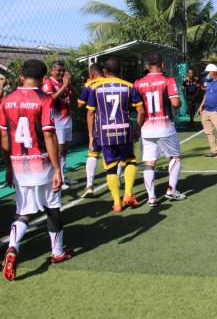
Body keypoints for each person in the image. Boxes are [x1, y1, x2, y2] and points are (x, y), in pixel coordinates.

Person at [0, 59, 72, 281]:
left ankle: (13, 247)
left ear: (21, 77)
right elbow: (49, 134)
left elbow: (4, 136)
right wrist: (57, 169)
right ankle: (57, 252)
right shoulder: (44, 99)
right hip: (42, 164)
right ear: (43, 79)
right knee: (52, 208)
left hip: (19, 165)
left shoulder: (6, 100)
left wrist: (9, 167)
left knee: (23, 212)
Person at [87, 57, 145, 212]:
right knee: (130, 161)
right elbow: (141, 111)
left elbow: (90, 113)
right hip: (124, 131)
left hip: (105, 133)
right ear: (120, 71)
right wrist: (137, 129)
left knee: (111, 168)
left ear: (104, 71)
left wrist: (91, 136)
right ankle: (128, 194)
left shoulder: (95, 88)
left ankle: (117, 203)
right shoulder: (128, 86)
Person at [134, 53, 186, 207]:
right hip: (165, 127)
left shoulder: (138, 83)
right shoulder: (168, 80)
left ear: (147, 66)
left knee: (149, 162)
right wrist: (178, 104)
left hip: (146, 128)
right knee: (175, 157)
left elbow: (137, 107)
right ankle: (171, 190)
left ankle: (151, 198)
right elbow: (175, 103)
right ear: (162, 64)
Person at [42, 61, 77, 190]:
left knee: (65, 150)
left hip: (67, 118)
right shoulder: (48, 82)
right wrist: (64, 86)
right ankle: (57, 177)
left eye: (63, 70)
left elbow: (78, 96)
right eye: (59, 70)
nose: (62, 73)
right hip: (57, 121)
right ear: (52, 70)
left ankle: (63, 175)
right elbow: (50, 99)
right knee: (58, 150)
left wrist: (69, 84)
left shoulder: (64, 82)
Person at [77, 63, 104, 197]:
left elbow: (80, 104)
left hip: (97, 126)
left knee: (93, 154)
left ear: (91, 74)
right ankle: (117, 182)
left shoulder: (89, 85)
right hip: (114, 124)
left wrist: (90, 135)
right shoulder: (113, 82)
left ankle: (89, 185)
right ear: (103, 72)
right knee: (115, 155)